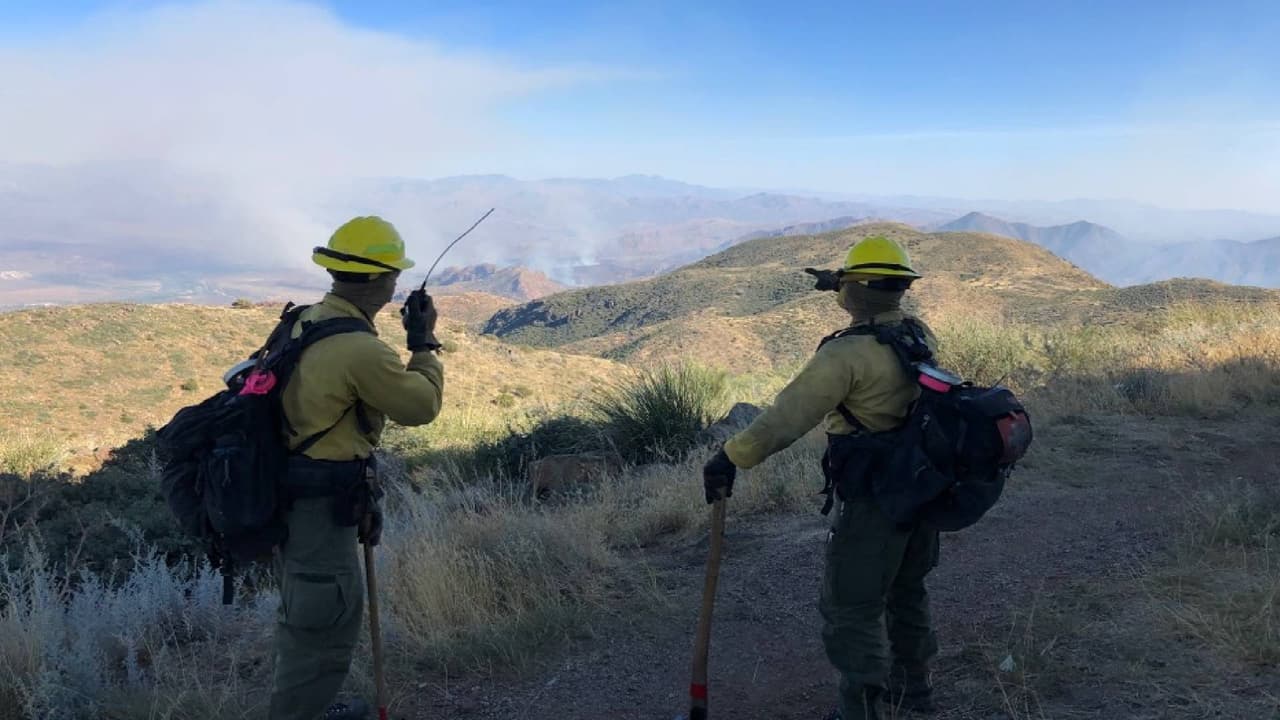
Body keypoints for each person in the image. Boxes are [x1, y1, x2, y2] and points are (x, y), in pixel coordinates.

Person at [702, 236, 939, 720]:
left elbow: (786, 418)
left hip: (874, 500)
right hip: (921, 488)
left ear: (859, 290)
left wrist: (731, 456)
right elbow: (877, 298)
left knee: (851, 608)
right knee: (906, 592)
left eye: (846, 283)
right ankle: (913, 693)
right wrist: (841, 283)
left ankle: (861, 711)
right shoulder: (917, 334)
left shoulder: (843, 356)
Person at [269, 216, 445, 720]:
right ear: (374, 280)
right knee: (321, 628)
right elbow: (420, 407)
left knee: (309, 617)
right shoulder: (359, 348)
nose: (395, 284)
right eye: (392, 275)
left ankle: (312, 707)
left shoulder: (304, 319)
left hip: (300, 497)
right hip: (319, 509)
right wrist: (423, 345)